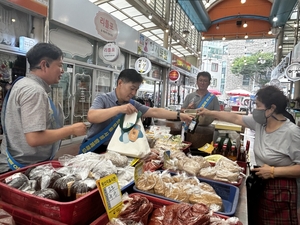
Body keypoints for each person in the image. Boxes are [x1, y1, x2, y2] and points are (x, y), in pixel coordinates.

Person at [198, 85, 300, 224]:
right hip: (260, 184)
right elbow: (234, 118)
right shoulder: (260, 123)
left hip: (281, 190)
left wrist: (273, 171)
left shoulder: (291, 132)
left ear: (271, 108)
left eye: (258, 105)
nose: (254, 109)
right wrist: (208, 112)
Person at [0, 43, 87, 174]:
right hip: (20, 169)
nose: (62, 70)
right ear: (44, 65)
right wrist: (72, 129)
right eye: (59, 65)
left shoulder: (22, 84)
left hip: (19, 165)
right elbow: (34, 138)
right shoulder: (34, 91)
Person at [84, 68, 193, 153]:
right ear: (120, 83)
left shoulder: (131, 103)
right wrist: (119, 109)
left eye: (136, 89)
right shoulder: (102, 99)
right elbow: (92, 116)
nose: (134, 93)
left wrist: (179, 115)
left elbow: (154, 112)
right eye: (132, 88)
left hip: (115, 149)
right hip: (94, 147)